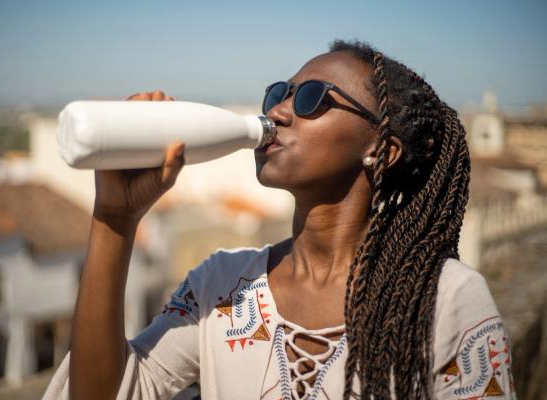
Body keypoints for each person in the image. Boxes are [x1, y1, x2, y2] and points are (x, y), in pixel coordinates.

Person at [42, 39, 516, 399]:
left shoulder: (445, 298)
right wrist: (115, 218)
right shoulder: (222, 285)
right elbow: (106, 392)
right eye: (278, 93)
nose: (279, 110)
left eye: (312, 98)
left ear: (381, 149)